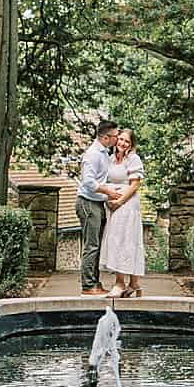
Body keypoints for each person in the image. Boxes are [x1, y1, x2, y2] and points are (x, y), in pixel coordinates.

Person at [100, 127, 146, 298]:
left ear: (131, 145)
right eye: (121, 139)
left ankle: (121, 283)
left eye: (127, 141)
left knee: (126, 240)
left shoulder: (133, 159)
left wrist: (119, 201)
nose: (123, 143)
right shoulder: (111, 159)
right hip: (114, 207)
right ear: (116, 139)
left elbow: (134, 185)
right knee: (118, 240)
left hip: (127, 205)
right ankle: (134, 284)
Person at [75, 116, 119, 296]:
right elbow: (88, 182)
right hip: (88, 203)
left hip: (97, 203)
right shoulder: (92, 154)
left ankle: (95, 282)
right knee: (91, 245)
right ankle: (87, 285)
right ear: (105, 137)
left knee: (97, 245)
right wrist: (109, 192)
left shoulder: (104, 154)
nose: (118, 138)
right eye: (115, 136)